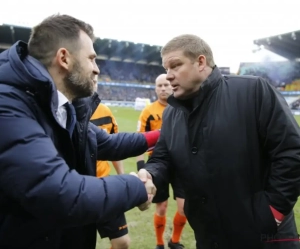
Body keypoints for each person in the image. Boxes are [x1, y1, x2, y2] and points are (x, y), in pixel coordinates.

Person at [0, 14, 158, 249]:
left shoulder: (61, 107)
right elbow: (59, 192)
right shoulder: (8, 105)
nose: (97, 69)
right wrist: (135, 186)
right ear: (64, 58)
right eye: (92, 59)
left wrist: (164, 135)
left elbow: (109, 144)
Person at [139, 34, 300, 249]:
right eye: (166, 69)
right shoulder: (172, 113)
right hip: (208, 235)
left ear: (201, 62)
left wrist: (273, 212)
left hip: (265, 238)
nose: (168, 76)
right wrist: (150, 173)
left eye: (175, 66)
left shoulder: (253, 92)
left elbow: (291, 151)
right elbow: (163, 157)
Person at [136, 74, 187, 249]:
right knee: (162, 206)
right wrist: (141, 167)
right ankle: (159, 244)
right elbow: (139, 140)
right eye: (159, 85)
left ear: (172, 85)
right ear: (155, 88)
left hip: (182, 163)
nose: (163, 88)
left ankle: (175, 240)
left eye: (166, 84)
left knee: (184, 207)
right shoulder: (148, 112)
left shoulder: (182, 108)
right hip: (158, 164)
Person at [90, 102, 130, 249]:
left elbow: (114, 146)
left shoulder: (105, 112)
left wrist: (122, 177)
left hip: (104, 184)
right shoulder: (64, 110)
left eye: (95, 80)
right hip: (77, 186)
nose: (93, 82)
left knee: (122, 242)